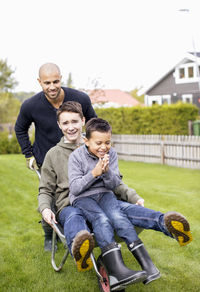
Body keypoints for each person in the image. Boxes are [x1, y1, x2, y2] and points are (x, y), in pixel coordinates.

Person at [38, 101, 192, 289]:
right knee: (74, 218)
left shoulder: (100, 145)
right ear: (59, 125)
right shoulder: (53, 154)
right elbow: (45, 189)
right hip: (70, 204)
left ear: (82, 122)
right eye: (65, 123)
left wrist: (134, 196)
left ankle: (167, 224)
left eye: (74, 122)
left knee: (126, 209)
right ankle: (80, 248)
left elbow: (116, 183)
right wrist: (45, 208)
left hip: (103, 197)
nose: (70, 127)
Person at [14, 63, 97, 250]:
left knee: (85, 192)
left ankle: (83, 229)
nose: (52, 86)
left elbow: (94, 122)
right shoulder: (30, 105)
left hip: (78, 156)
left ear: (61, 78)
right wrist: (29, 154)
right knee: (49, 198)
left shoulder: (80, 98)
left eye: (56, 81)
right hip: (47, 158)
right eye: (47, 83)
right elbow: (20, 128)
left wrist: (94, 144)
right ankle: (49, 236)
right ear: (39, 82)